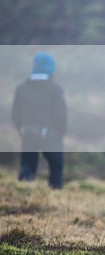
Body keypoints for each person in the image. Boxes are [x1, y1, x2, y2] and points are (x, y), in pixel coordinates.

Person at [11, 52, 67, 189]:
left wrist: (22, 129)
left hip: (28, 132)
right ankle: (55, 199)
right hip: (50, 135)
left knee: (27, 167)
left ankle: (22, 197)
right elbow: (60, 115)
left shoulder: (22, 88)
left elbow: (15, 114)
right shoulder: (55, 89)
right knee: (56, 167)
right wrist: (60, 132)